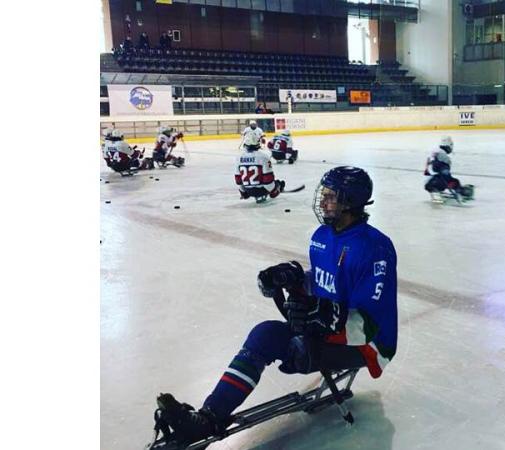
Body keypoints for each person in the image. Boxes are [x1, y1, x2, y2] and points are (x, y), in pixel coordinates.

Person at [154, 166, 398, 446]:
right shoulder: (322, 236)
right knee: (265, 334)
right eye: (324, 195)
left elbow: (371, 324)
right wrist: (294, 279)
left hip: (366, 346)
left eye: (331, 197)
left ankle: (211, 417)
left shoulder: (375, 248)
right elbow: (323, 280)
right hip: (331, 330)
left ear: (350, 202)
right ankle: (209, 417)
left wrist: (321, 319)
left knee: (297, 347)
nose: (323, 202)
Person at [234, 133, 284, 203]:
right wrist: (274, 189)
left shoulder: (238, 158)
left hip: (248, 191)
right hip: (262, 190)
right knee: (279, 183)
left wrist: (243, 191)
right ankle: (275, 191)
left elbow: (238, 180)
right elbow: (268, 179)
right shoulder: (264, 157)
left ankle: (245, 194)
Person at [424, 136, 474, 202]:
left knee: (446, 180)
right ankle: (464, 194)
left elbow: (428, 171)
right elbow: (445, 175)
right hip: (436, 182)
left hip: (427, 183)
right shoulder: (444, 157)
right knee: (455, 182)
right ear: (448, 146)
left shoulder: (434, 152)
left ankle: (435, 191)